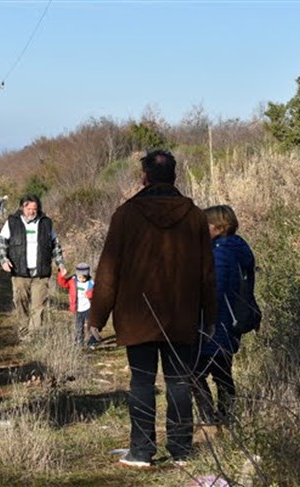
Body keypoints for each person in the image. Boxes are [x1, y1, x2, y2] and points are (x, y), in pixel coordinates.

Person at [89, 150, 216, 467]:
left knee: (142, 382)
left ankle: (142, 450)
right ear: (174, 176)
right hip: (181, 315)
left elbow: (108, 271)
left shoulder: (125, 215)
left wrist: (96, 318)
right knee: (179, 381)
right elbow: (207, 273)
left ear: (144, 177)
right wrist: (210, 316)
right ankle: (181, 450)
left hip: (137, 316)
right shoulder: (195, 215)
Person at [192, 205, 255, 425]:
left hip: (216, 322)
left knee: (195, 372)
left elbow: (214, 291)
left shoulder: (220, 253)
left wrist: (202, 317)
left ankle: (211, 419)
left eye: (205, 225)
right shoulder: (240, 249)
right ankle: (226, 417)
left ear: (219, 226)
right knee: (223, 373)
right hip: (234, 321)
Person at [0, 194, 67, 342]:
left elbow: (55, 246)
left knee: (38, 306)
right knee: (20, 301)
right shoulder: (12, 222)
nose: (32, 212)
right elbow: (1, 243)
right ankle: (23, 331)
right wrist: (4, 260)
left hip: (41, 273)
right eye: (29, 209)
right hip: (19, 271)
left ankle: (32, 337)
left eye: (35, 209)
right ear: (22, 208)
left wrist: (60, 264)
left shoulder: (46, 223)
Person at [56, 262, 101, 348]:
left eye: (84, 277)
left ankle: (93, 340)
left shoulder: (91, 283)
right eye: (80, 277)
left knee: (91, 325)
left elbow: (96, 293)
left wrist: (89, 294)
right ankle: (79, 342)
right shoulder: (72, 281)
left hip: (88, 308)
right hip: (77, 308)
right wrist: (61, 275)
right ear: (77, 275)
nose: (82, 279)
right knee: (79, 326)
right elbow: (63, 283)